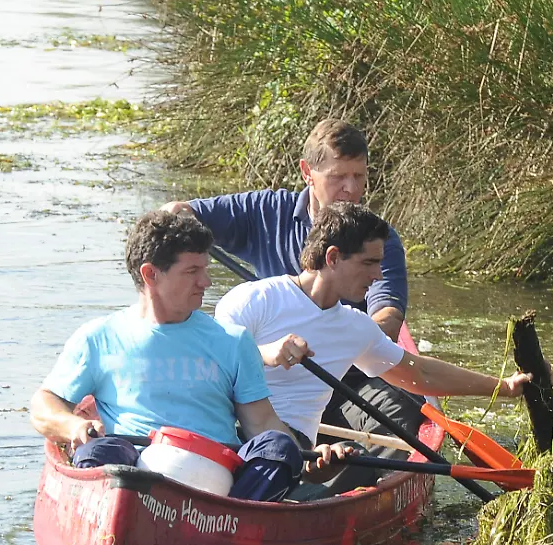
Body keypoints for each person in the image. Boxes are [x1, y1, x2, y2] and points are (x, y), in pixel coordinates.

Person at [214, 202, 533, 500]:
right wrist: (265, 353)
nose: (378, 275)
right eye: (369, 263)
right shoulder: (252, 300)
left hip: (294, 453)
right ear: (333, 258)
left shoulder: (356, 327)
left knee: (354, 461)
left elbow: (420, 373)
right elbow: (209, 363)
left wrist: (503, 387)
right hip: (227, 432)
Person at [29, 210, 348, 502]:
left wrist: (308, 462)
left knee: (280, 448)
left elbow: (263, 423)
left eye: (205, 269)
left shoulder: (233, 341)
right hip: (134, 473)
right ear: (151, 274)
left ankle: (229, 517)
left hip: (219, 473)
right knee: (96, 452)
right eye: (192, 271)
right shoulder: (98, 338)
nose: (205, 282)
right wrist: (73, 426)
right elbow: (44, 405)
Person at [159, 118, 406, 339]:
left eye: (358, 176)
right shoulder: (265, 211)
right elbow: (177, 212)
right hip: (270, 359)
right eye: (338, 177)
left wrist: (354, 344)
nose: (351, 189)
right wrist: (178, 217)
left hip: (348, 365)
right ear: (307, 172)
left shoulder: (379, 239)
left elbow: (388, 316)